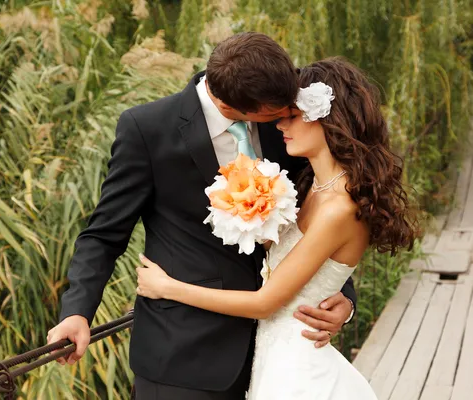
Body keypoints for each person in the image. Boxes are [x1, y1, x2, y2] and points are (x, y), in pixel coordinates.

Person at [47, 33, 358, 400]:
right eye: (277, 113)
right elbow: (104, 235)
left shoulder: (285, 126)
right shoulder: (147, 129)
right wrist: (77, 311)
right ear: (236, 107)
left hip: (276, 358)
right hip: (181, 359)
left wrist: (342, 296)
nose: (287, 116)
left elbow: (318, 217)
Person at [136, 57, 418, 399]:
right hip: (274, 359)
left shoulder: (338, 209)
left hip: (297, 372)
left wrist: (167, 287)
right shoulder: (312, 186)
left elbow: (265, 303)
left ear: (327, 121)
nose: (280, 125)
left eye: (292, 116)